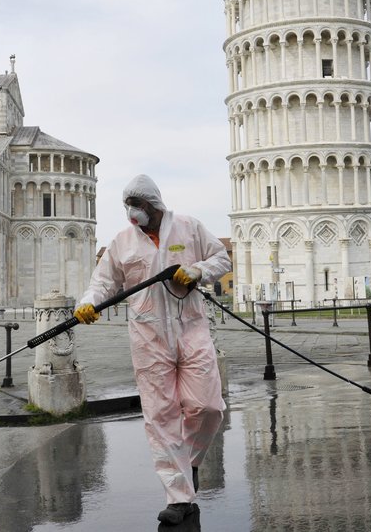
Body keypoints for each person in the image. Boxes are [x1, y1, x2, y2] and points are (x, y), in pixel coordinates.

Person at [74, 174, 230, 526]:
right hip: (148, 336)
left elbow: (222, 259)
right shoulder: (122, 242)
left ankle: (188, 462)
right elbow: (103, 282)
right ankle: (179, 496)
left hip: (191, 329)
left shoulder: (189, 228)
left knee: (208, 406)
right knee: (161, 416)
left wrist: (197, 270)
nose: (132, 212)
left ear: (154, 205)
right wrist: (88, 303)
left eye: (138, 206)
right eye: (128, 206)